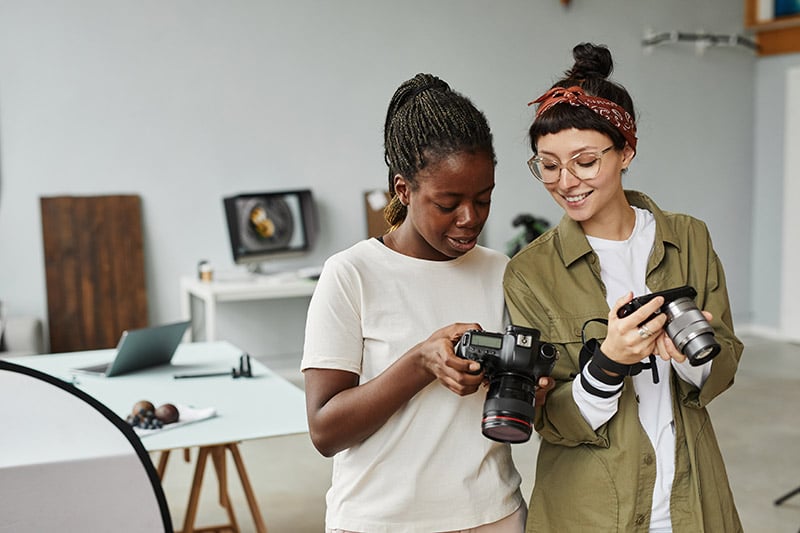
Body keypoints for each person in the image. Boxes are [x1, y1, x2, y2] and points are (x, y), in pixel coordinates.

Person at [503, 43, 744, 533]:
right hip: (589, 510)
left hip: (692, 502)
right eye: (548, 165)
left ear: (627, 151)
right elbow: (548, 420)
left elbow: (725, 365)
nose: (565, 181)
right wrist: (610, 361)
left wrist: (692, 357)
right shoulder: (530, 273)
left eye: (585, 161)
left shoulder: (689, 238)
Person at [301, 73, 545, 533]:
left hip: (492, 515)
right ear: (402, 190)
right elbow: (325, 431)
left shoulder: (501, 272)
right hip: (379, 521)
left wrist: (538, 391)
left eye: (483, 199)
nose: (470, 218)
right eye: (448, 203)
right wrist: (420, 362)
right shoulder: (351, 274)